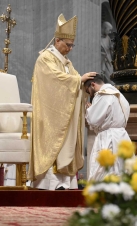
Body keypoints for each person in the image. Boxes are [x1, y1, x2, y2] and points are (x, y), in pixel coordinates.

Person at [28, 14, 96, 190]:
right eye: (68, 45)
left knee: (67, 143)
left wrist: (84, 91)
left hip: (64, 113)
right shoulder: (45, 59)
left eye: (72, 45)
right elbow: (56, 79)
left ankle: (63, 183)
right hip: (50, 114)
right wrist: (78, 81)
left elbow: (74, 78)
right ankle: (47, 183)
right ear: (57, 41)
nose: (70, 49)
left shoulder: (66, 62)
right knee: (54, 142)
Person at [84, 74, 132, 181]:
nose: (90, 95)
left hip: (108, 137)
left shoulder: (102, 95)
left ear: (93, 84)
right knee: (122, 169)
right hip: (122, 137)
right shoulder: (119, 95)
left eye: (88, 91)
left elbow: (94, 120)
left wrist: (89, 110)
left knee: (106, 172)